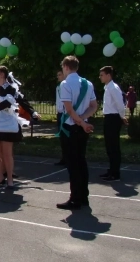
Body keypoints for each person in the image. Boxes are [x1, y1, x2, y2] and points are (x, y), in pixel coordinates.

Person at [0, 66, 39, 189]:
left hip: (6, 123)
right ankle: (0, 177)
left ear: (2, 74)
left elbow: (11, 102)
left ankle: (10, 179)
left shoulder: (11, 89)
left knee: (7, 154)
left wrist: (33, 113)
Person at [57, 56, 97, 210]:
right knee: (81, 161)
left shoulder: (65, 84)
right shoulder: (88, 83)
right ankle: (84, 197)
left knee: (73, 164)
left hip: (70, 128)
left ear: (66, 67)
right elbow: (94, 106)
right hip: (81, 128)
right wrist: (83, 120)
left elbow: (68, 109)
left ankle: (75, 199)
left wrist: (80, 121)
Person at [99, 66, 128, 182]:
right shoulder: (107, 87)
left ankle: (115, 173)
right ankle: (111, 170)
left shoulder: (113, 88)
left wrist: (122, 116)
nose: (100, 77)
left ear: (108, 75)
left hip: (114, 118)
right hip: (108, 117)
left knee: (113, 146)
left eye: (102, 75)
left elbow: (120, 104)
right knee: (109, 146)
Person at [55, 70, 66, 166]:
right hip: (59, 113)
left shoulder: (66, 86)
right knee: (61, 137)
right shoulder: (58, 87)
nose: (58, 77)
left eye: (60, 75)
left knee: (66, 136)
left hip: (65, 114)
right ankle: (64, 158)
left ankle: (68, 158)